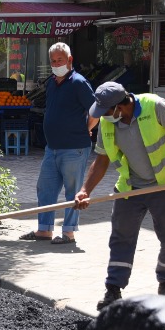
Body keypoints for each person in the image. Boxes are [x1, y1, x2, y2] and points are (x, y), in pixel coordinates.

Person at [73, 81, 165, 311]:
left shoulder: (154, 106)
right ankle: (113, 289)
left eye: (106, 112)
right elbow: (101, 161)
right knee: (121, 237)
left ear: (121, 106)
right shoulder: (107, 124)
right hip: (130, 188)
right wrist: (85, 191)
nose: (103, 117)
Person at [19, 42, 98, 245]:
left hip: (74, 148)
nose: (55, 64)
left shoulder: (79, 82)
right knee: (45, 189)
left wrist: (87, 128)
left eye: (59, 60)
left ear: (69, 60)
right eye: (53, 61)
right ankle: (44, 230)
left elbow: (96, 111)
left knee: (73, 193)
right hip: (51, 148)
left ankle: (69, 233)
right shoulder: (53, 83)